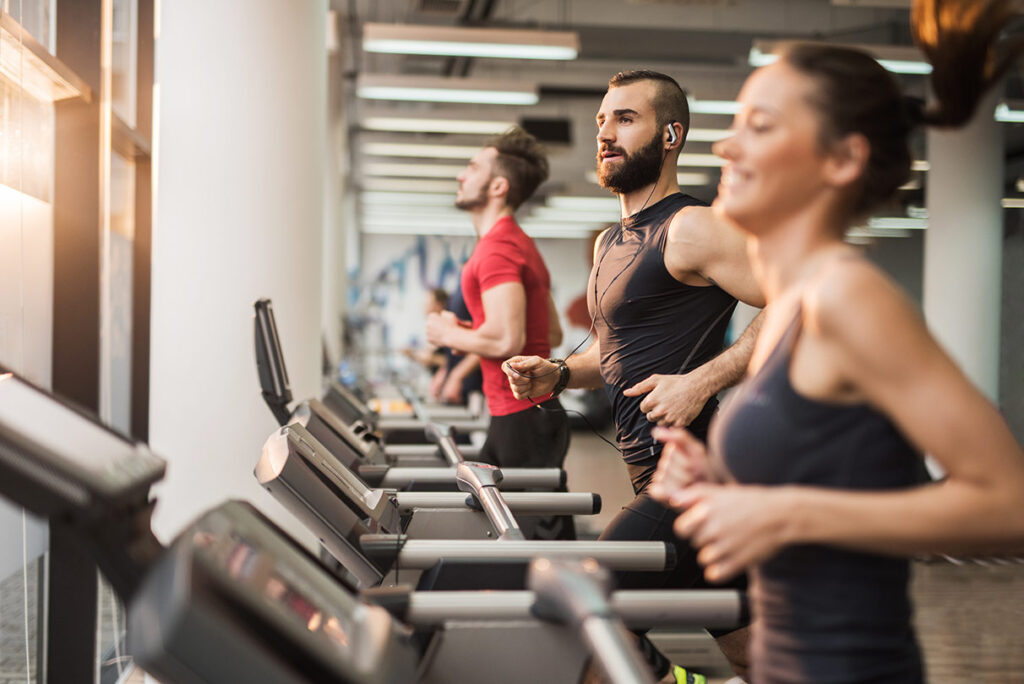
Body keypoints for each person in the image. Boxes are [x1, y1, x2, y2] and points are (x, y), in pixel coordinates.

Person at [648, 2, 1024, 682]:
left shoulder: (846, 297)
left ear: (843, 159)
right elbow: (818, 488)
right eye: (734, 125)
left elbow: (1009, 502)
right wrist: (713, 488)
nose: (728, 147)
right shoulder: (787, 305)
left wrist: (787, 511)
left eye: (760, 126)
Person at [503, 70, 765, 680]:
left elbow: (797, 302)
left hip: (688, 478)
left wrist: (703, 380)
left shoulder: (691, 226)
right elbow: (617, 354)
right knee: (760, 654)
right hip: (657, 477)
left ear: (670, 134)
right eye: (602, 120)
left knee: (584, 621)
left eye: (626, 118)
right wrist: (561, 376)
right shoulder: (611, 245)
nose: (606, 132)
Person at [425, 127, 574, 539]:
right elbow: (550, 332)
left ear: (498, 186)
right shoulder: (519, 243)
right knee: (513, 526)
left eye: (472, 168)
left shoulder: (496, 249)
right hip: (524, 413)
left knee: (529, 540)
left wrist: (447, 333)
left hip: (521, 415)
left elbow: (508, 340)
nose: (461, 176)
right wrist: (471, 329)